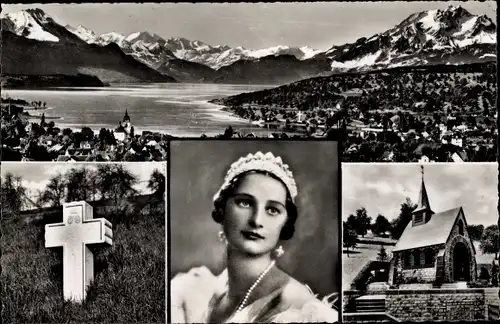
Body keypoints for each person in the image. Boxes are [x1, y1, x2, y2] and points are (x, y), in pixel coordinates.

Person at [171, 151, 339, 323]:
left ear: (285, 223)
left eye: (272, 210)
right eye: (245, 202)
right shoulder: (192, 288)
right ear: (223, 209)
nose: (256, 220)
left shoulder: (298, 310)